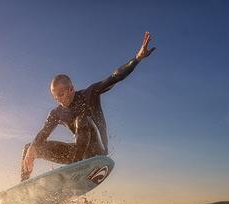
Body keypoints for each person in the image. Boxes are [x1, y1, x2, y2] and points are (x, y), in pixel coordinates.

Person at [20, 31, 156, 181]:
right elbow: (44, 132)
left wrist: (137, 59)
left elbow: (115, 77)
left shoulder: (89, 94)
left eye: (60, 94)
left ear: (71, 89)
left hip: (97, 152)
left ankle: (75, 170)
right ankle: (23, 191)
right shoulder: (56, 113)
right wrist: (33, 148)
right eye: (54, 96)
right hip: (78, 153)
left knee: (81, 120)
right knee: (30, 148)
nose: (57, 100)